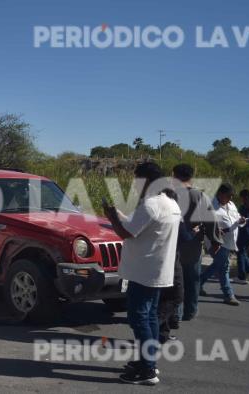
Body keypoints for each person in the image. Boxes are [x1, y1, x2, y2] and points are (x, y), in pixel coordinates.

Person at [104, 162, 181, 385]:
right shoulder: (170, 203)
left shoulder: (151, 204)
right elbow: (138, 227)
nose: (135, 185)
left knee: (139, 318)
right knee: (150, 317)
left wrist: (111, 216)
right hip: (158, 270)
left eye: (137, 179)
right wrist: (119, 215)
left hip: (143, 271)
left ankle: (147, 369)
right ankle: (146, 361)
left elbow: (125, 232)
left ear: (147, 180)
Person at [171, 164, 222, 321]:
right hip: (193, 245)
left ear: (174, 176)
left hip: (173, 244)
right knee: (192, 279)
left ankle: (176, 314)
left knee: (175, 280)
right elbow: (211, 220)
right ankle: (190, 311)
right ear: (191, 177)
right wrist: (215, 241)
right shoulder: (199, 196)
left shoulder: (169, 195)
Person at [200, 183, 246, 306]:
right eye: (228, 196)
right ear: (220, 194)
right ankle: (228, 295)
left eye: (231, 196)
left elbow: (236, 219)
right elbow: (202, 222)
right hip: (216, 242)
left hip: (230, 242)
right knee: (224, 266)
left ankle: (198, 282)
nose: (230, 198)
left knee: (219, 265)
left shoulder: (231, 205)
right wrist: (213, 231)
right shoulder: (210, 205)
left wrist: (241, 221)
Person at [233, 189, 249, 284]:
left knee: (240, 253)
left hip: (243, 232)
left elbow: (239, 220)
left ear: (243, 197)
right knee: (243, 252)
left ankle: (242, 276)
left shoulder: (243, 208)